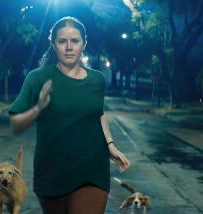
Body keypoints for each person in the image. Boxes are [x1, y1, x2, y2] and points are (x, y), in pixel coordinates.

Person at [9, 16, 130, 214]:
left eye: (75, 41)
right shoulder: (37, 78)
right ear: (53, 44)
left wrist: (111, 145)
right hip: (51, 171)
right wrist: (37, 108)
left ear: (84, 44)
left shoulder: (97, 80)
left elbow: (98, 114)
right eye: (62, 41)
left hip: (92, 169)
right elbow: (15, 124)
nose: (69, 47)